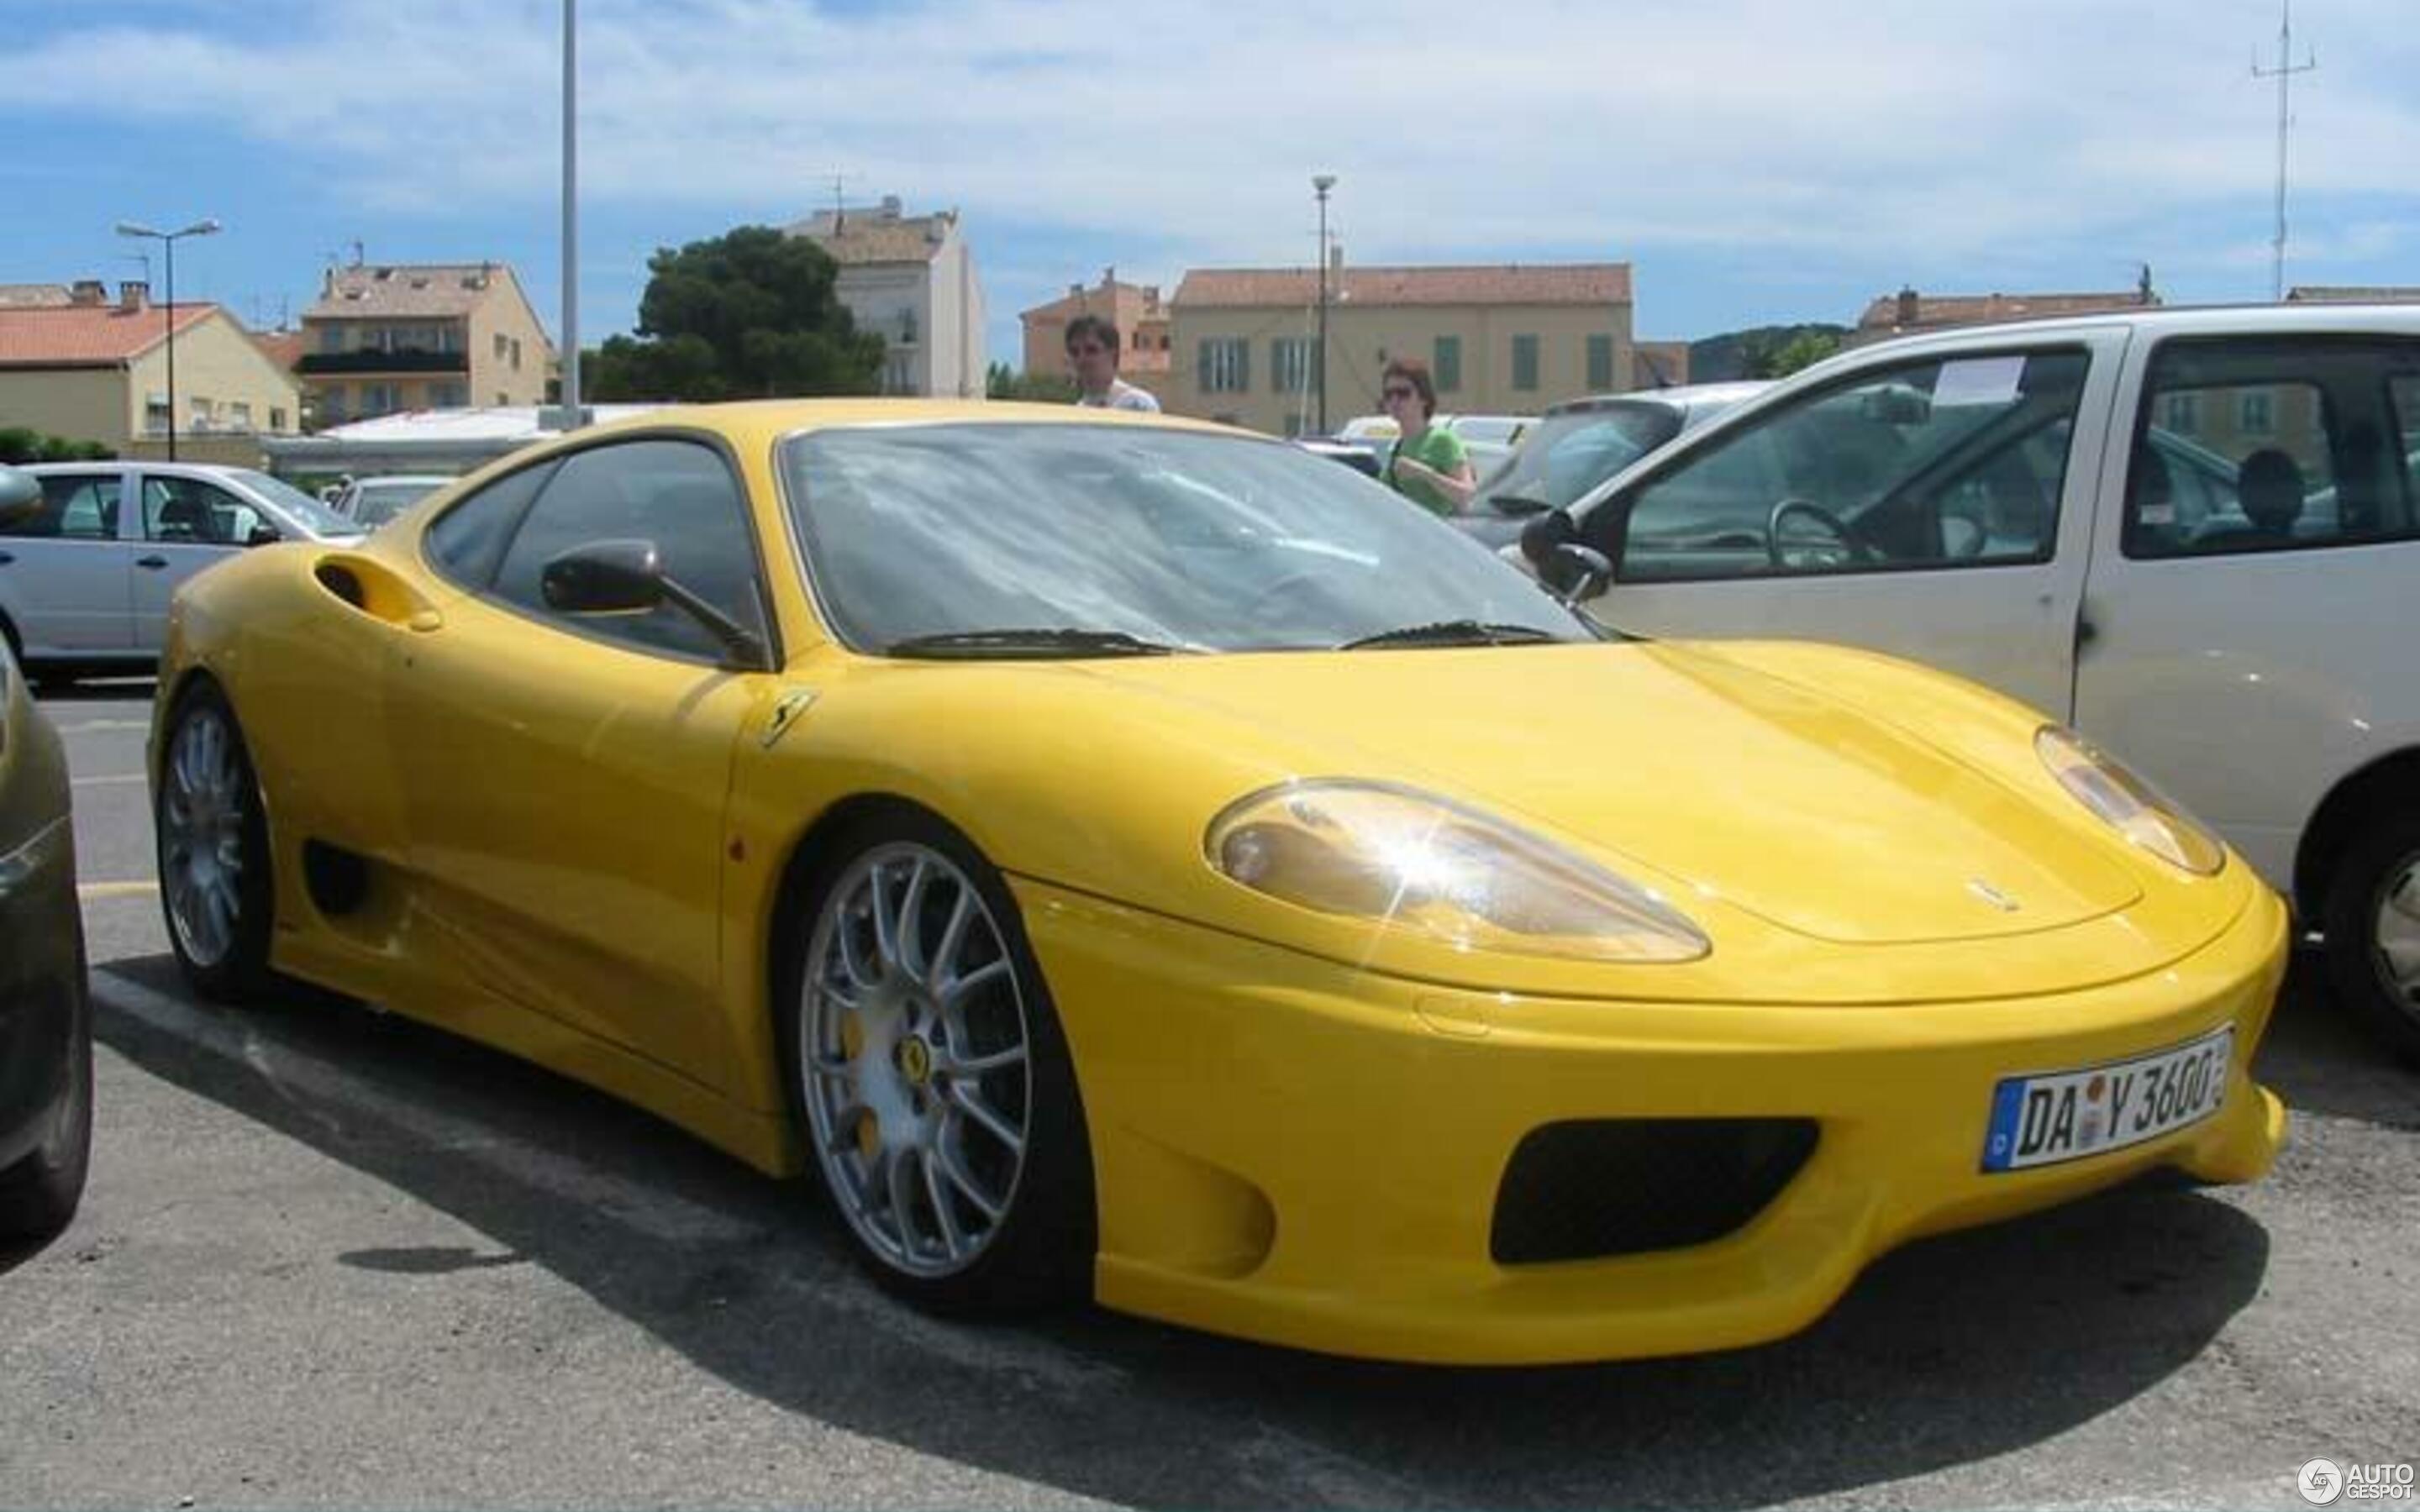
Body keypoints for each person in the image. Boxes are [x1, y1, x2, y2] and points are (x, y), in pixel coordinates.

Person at [1376, 359, 1475, 517]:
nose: (1395, 400)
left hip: (1432, 536)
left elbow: (1467, 495)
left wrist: (1425, 474)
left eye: (1403, 393)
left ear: (1423, 398)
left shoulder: (1441, 440)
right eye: (1389, 394)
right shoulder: (1396, 446)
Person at [1065, 315, 1160, 412]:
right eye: (1074, 352)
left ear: (1114, 356)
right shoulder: (1077, 411)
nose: (1082, 359)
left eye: (1091, 350)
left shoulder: (1138, 404)